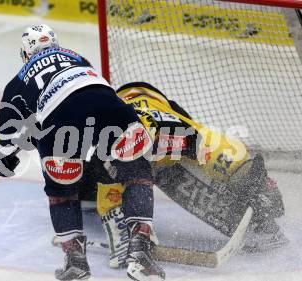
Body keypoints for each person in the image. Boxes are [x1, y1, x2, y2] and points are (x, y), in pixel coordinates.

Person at [0, 25, 165, 281]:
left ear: (25, 53)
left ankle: (76, 264)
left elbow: (5, 143)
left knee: (62, 189)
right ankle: (141, 256)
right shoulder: (78, 58)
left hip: (59, 117)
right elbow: (84, 97)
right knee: (135, 169)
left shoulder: (18, 80)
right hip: (108, 101)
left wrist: (6, 155)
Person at [80, 82, 287, 268]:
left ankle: (259, 215)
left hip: (155, 103)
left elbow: (216, 146)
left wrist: (251, 177)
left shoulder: (179, 135)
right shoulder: (108, 155)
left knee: (213, 163)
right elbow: (109, 199)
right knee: (90, 182)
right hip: (126, 116)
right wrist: (127, 229)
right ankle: (85, 195)